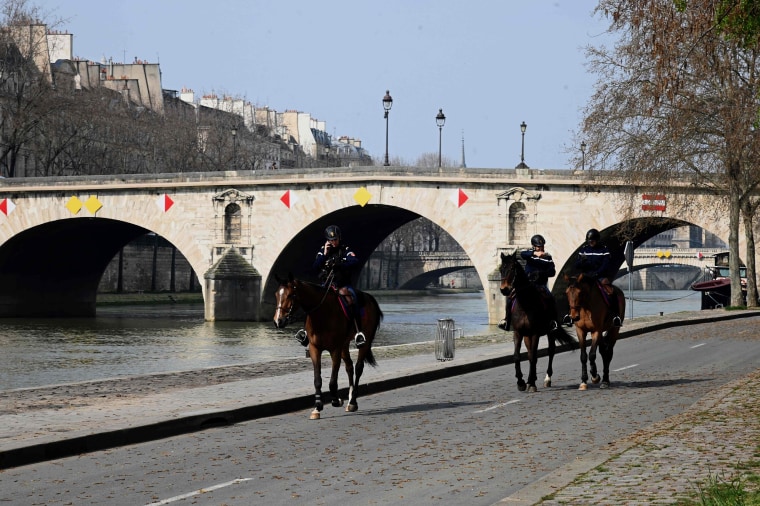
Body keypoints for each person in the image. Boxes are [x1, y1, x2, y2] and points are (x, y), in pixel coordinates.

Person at [312, 225, 366, 347]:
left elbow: (354, 261)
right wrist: (325, 254)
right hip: (326, 285)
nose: (333, 242)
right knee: (311, 301)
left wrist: (341, 264)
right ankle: (305, 331)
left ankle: (358, 332)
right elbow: (315, 267)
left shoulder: (345, 249)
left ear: (339, 238)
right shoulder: (323, 250)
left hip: (342, 284)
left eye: (335, 239)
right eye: (331, 240)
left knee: (353, 299)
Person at [498, 234, 560, 331]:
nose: (540, 248)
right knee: (510, 298)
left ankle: (553, 321)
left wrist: (541, 273)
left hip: (540, 284)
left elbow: (552, 272)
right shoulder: (529, 255)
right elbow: (521, 254)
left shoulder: (548, 257)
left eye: (542, 246)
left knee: (550, 298)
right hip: (527, 284)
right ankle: (507, 320)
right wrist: (534, 254)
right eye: (538, 246)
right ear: (534, 247)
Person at [563, 228, 622, 327]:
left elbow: (606, 265)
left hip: (599, 276)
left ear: (597, 240)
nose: (591, 243)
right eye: (589, 241)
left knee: (611, 292)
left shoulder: (604, 250)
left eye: (593, 241)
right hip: (585, 276)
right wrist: (582, 261)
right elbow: (576, 265)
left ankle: (615, 316)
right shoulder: (584, 250)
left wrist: (597, 273)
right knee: (571, 290)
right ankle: (568, 315)